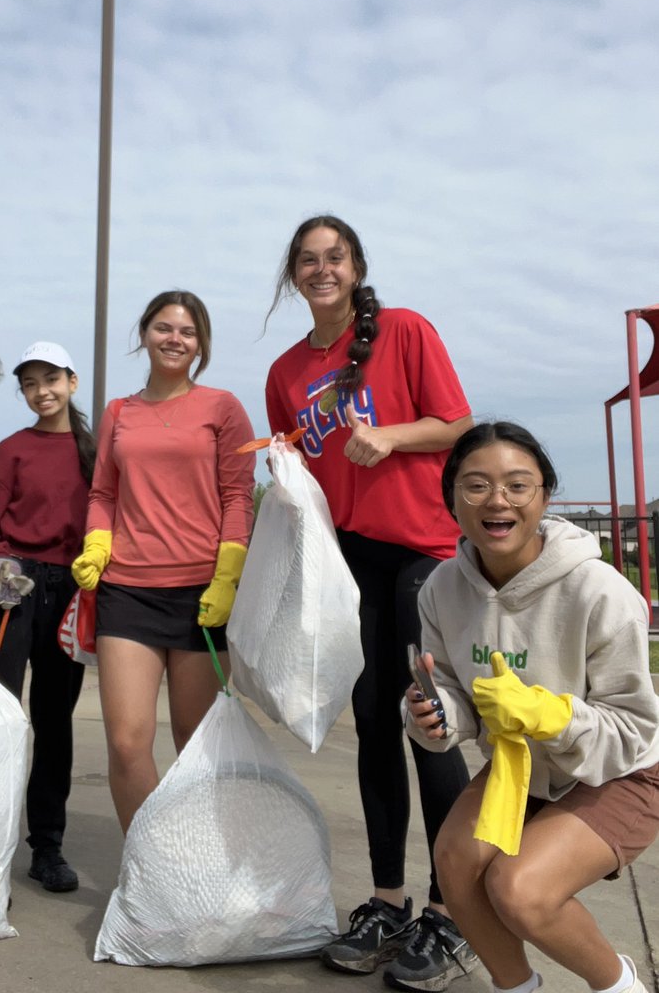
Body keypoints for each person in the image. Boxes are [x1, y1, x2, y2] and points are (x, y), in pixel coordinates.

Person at [265, 214, 476, 989]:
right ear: (293, 275)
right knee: (374, 724)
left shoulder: (405, 330)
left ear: (354, 267)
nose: (321, 270)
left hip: (422, 552)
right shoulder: (286, 371)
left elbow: (458, 424)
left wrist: (390, 436)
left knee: (429, 723)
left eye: (335, 257)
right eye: (307, 260)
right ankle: (388, 903)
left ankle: (453, 912)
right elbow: (299, 469)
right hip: (349, 562)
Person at [405, 421, 659, 993]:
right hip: (522, 767)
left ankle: (622, 987)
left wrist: (554, 716)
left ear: (544, 497)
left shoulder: (599, 591)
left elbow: (635, 727)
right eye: (476, 485)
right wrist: (433, 715)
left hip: (623, 771)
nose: (497, 500)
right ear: (451, 499)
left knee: (520, 890)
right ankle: (517, 987)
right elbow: (451, 691)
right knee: (456, 863)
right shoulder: (442, 588)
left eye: (518, 485)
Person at [71, 291, 255, 833]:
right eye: (164, 328)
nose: (175, 339)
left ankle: (199, 858)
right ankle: (150, 864)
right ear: (145, 334)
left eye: (188, 332)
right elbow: (103, 493)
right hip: (127, 591)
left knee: (194, 744)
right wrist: (97, 545)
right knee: (127, 744)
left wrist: (228, 577)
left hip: (201, 593)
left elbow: (238, 497)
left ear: (201, 345)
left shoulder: (223, 407)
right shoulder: (119, 412)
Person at [0, 341, 94, 894]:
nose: (42, 392)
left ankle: (47, 847)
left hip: (71, 592)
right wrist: (2, 566)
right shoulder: (11, 452)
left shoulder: (95, 451)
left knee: (54, 724)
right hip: (13, 591)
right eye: (30, 384)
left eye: (51, 379)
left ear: (72, 381)